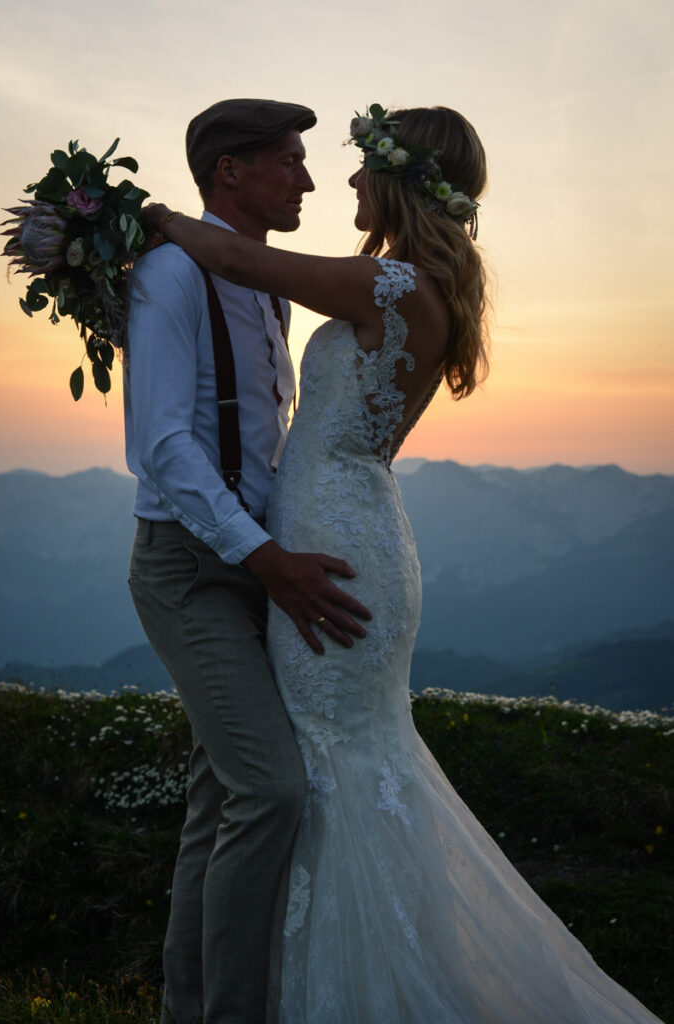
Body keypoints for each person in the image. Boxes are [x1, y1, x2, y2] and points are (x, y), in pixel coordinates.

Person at [146, 104, 663, 1022]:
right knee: (322, 765)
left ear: (396, 179)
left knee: (317, 770)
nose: (338, 182)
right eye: (309, 164)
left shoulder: (384, 283)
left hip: (329, 554)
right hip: (348, 534)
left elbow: (228, 257)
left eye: (354, 167)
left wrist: (125, 218)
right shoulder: (413, 284)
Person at [125, 98, 372, 1024]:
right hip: (190, 570)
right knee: (270, 789)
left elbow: (259, 442)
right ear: (230, 170)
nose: (309, 179)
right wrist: (267, 558)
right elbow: (163, 447)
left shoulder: (262, 281)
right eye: (290, 161)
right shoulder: (172, 276)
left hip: (248, 565)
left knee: (218, 803)